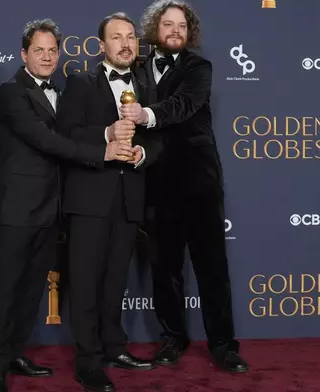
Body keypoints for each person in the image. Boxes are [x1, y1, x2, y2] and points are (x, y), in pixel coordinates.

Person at [0, 18, 135, 392]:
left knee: (32, 287)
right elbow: (48, 141)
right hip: (17, 208)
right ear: (24, 54)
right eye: (39, 50)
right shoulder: (10, 92)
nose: (48, 57)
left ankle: (16, 352)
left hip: (52, 209)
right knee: (6, 289)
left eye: (53, 50)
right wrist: (104, 151)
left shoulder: (63, 90)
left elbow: (66, 137)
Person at [116, 0, 249, 373]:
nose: (175, 30)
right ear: (154, 29)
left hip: (199, 183)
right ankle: (173, 338)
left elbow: (183, 105)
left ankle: (223, 345)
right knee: (164, 269)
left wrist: (146, 114)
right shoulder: (137, 69)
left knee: (212, 269)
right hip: (156, 184)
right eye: (168, 24)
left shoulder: (199, 67)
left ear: (189, 33)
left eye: (182, 25)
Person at [56, 12, 163, 392]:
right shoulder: (80, 83)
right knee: (85, 283)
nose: (125, 43)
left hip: (129, 198)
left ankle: (115, 347)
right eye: (116, 38)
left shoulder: (146, 88)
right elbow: (66, 135)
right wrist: (106, 134)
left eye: (130, 37)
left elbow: (158, 138)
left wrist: (142, 154)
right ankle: (88, 362)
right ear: (102, 46)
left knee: (116, 281)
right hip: (89, 199)